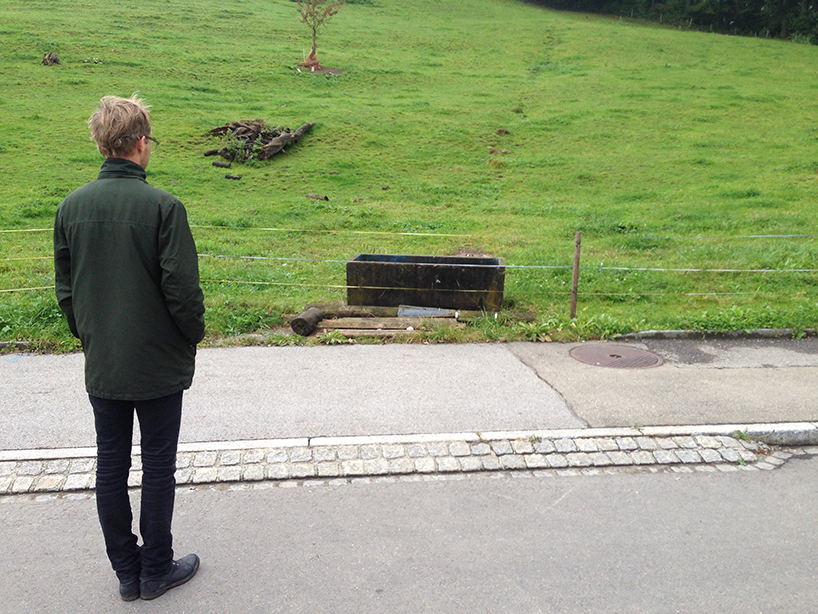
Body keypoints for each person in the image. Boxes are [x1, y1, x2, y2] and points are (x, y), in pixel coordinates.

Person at [53, 94, 206, 601]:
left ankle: (126, 571)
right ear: (141, 143)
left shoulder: (70, 208)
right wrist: (192, 336)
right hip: (158, 362)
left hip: (105, 361)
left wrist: (91, 334)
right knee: (158, 464)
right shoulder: (163, 207)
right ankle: (156, 567)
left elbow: (67, 289)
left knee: (111, 464)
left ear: (102, 142)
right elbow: (182, 290)